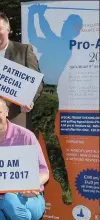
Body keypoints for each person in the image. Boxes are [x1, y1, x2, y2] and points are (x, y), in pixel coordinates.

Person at [27, 4, 83, 204]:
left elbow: (37, 36)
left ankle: (64, 188)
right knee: (35, 145)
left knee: (42, 145)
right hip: (41, 95)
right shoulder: (61, 41)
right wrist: (38, 15)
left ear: (74, 30)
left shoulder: (62, 43)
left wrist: (35, 14)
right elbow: (43, 33)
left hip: (45, 97)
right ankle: (60, 189)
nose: (65, 26)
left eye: (69, 24)